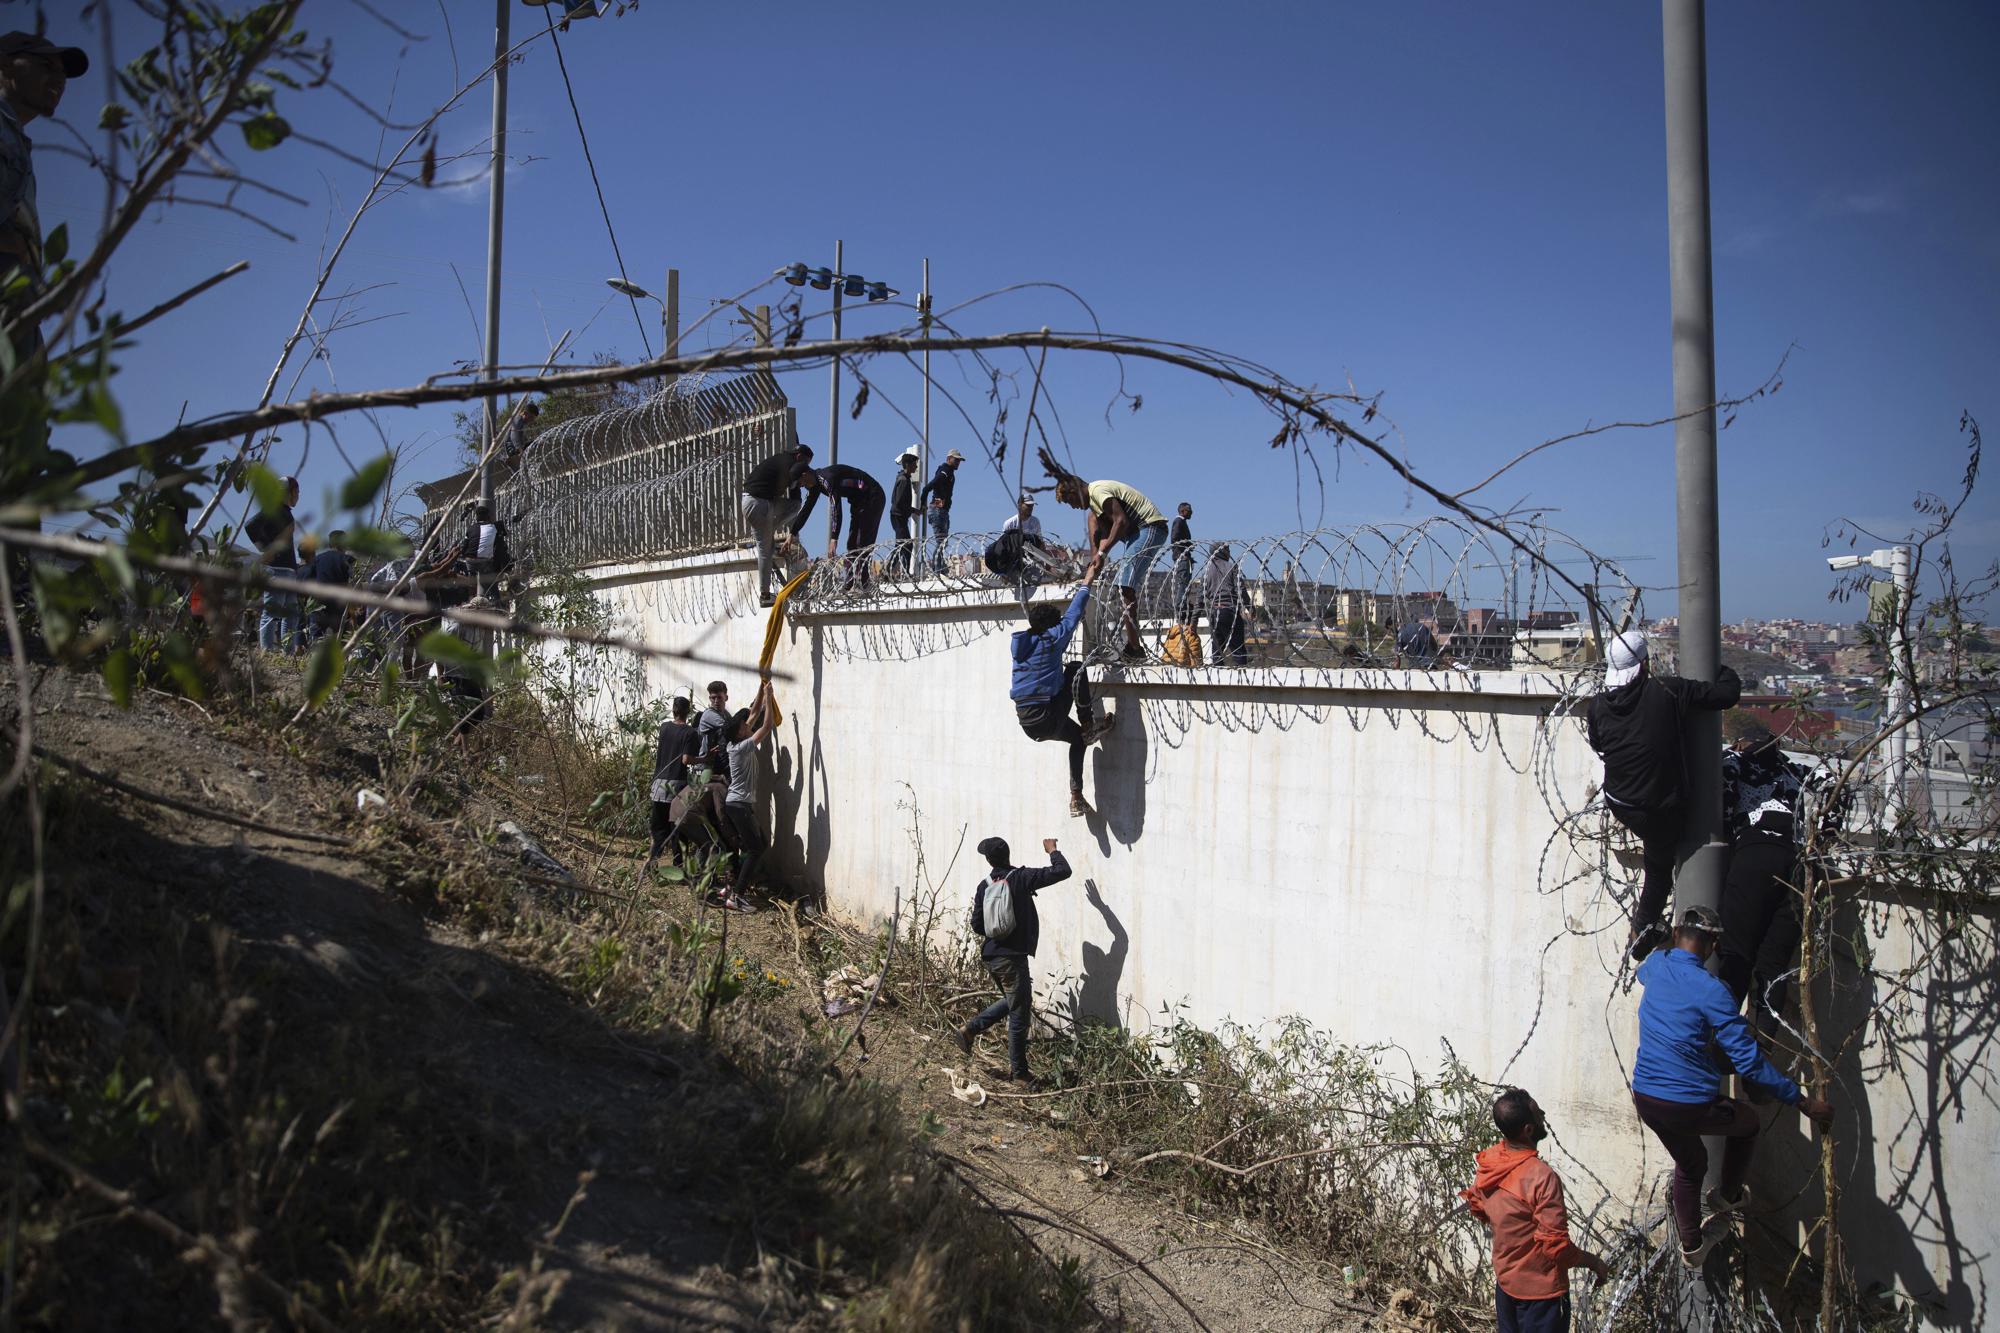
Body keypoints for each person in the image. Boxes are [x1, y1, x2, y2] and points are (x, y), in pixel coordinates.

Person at [1631, 905, 1834, 1267]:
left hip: (1646, 1096)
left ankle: (1692, 1245)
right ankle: (1727, 1196)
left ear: (1678, 936)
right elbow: (1750, 1064)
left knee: (1690, 1163)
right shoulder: (1714, 992)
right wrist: (1802, 1102)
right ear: (1713, 947)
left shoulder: (1658, 966)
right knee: (1746, 1123)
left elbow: (1643, 969)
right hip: (1686, 1102)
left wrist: (1663, 941)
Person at [1584, 630, 1741, 960]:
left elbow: (1599, 745)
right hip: (1659, 806)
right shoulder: (1667, 690)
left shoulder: (1598, 705)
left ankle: (1646, 925)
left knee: (1657, 858)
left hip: (1620, 801)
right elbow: (1726, 695)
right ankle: (1644, 926)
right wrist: (1720, 668)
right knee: (1659, 866)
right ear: (1645, 664)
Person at [1462, 1088, 1610, 1333]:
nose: (1543, 1114)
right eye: (1537, 1112)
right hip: (1541, 1295)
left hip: (1506, 1285)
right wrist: (1593, 1262)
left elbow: (1478, 1205)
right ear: (1528, 1130)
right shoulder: (1541, 1177)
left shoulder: (1492, 1161)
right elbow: (1556, 1247)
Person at [953, 834, 1073, 1084]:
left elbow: (976, 925)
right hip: (1012, 959)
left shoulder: (984, 885)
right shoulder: (1021, 878)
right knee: (1019, 1013)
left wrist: (997, 929)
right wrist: (1052, 850)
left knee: (1014, 1001)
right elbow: (1062, 871)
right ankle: (1019, 1074)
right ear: (1008, 854)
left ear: (989, 861)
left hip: (992, 956)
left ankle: (970, 1030)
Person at [1718, 722, 1810, 1022]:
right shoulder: (1795, 771)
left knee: (1736, 954)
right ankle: (1762, 1046)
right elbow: (1833, 783)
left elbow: (1723, 803)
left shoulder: (1737, 764)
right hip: (1798, 861)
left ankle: (1725, 1044)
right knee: (1774, 964)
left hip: (1755, 852)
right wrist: (1828, 833)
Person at [1011, 554, 1114, 817]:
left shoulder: (1022, 644)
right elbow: (1074, 613)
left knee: (1077, 740)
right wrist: (1088, 580)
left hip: (1028, 722)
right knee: (1075, 669)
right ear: (1049, 626)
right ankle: (1089, 725)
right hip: (1046, 715)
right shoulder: (1051, 639)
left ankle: (1076, 798)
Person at [1055, 475, 1168, 663]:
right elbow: (1105, 534)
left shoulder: (1098, 491)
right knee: (1093, 518)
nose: (1073, 507)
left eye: (1070, 501)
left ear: (1074, 491)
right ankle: (1132, 646)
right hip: (1134, 533)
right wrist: (1097, 558)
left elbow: (1121, 522)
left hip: (1149, 527)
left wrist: (1102, 554)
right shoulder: (1095, 505)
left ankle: (1134, 648)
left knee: (1126, 585)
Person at [719, 681, 780, 911]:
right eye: (745, 726)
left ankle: (733, 885)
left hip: (739, 805)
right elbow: (765, 727)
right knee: (755, 848)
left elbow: (753, 714)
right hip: (738, 805)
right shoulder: (741, 747)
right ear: (740, 733)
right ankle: (737, 897)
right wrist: (770, 699)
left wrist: (762, 687)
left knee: (759, 843)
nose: (748, 725)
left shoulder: (737, 741)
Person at [739, 442, 814, 606]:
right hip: (758, 504)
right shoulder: (792, 465)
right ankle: (765, 595)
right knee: (765, 550)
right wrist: (801, 480)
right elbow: (795, 483)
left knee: (767, 542)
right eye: (806, 464)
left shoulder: (782, 460)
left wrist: (796, 485)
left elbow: (793, 493)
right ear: (800, 457)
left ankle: (768, 533)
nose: (804, 469)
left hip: (754, 502)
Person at [792, 462, 885, 589]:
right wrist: (792, 533)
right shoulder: (816, 485)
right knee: (852, 544)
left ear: (805, 474)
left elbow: (836, 508)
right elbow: (806, 510)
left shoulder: (826, 479)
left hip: (872, 496)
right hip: (858, 502)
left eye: (800, 482)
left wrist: (834, 538)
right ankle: (852, 580)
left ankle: (862, 582)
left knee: (862, 542)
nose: (801, 486)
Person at [669, 679, 736, 851]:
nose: (715, 701)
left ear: (725, 697)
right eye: (712, 698)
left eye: (718, 698)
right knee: (705, 820)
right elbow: (731, 729)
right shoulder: (710, 715)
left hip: (711, 769)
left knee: (707, 821)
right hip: (704, 771)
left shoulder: (724, 714)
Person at [246, 475, 303, 654]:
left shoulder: (284, 511)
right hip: (276, 569)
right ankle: (267, 652)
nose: (298, 496)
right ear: (290, 492)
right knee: (271, 613)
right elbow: (250, 526)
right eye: (297, 492)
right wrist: (266, 548)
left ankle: (288, 652)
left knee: (290, 614)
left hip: (288, 568)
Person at [644, 694, 700, 874]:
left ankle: (652, 862)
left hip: (659, 784)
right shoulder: (690, 733)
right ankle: (678, 865)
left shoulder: (664, 727)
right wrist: (705, 757)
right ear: (688, 712)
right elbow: (686, 760)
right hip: (677, 786)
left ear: (673, 710)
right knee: (678, 829)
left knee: (658, 827)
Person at [920, 448, 965, 576]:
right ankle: (937, 570)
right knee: (941, 542)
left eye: (959, 461)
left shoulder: (949, 473)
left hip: (942, 511)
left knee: (943, 542)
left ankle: (941, 568)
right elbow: (929, 486)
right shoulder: (945, 472)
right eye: (956, 460)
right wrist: (923, 502)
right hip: (938, 510)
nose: (958, 463)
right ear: (949, 459)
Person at [1203, 544, 1249, 666]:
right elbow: (1241, 589)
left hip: (1215, 612)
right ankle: (1244, 679)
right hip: (1230, 611)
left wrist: (1194, 620)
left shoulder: (1207, 570)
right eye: (1227, 550)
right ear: (1220, 552)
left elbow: (1202, 594)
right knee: (1238, 649)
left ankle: (1217, 679)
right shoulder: (1231, 566)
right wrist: (1249, 607)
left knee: (1217, 652)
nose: (1229, 553)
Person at [305, 529, 354, 642]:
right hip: (339, 603)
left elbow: (307, 579)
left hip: (318, 603)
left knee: (316, 637)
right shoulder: (347, 559)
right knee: (342, 637)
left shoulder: (318, 559)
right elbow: (353, 582)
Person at [1001, 492, 1050, 600]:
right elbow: (1003, 547)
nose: (1031, 508)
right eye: (1028, 505)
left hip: (1032, 561)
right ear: (1019, 504)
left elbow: (1040, 542)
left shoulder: (1035, 522)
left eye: (1032, 506)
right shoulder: (1010, 523)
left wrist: (1046, 561)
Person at [887, 447, 920, 578]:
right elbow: (899, 502)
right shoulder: (904, 480)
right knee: (906, 545)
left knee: (901, 545)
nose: (916, 467)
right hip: (898, 516)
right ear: (907, 465)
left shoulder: (903, 478)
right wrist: (911, 510)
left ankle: (889, 571)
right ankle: (904, 572)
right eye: (914, 464)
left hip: (899, 516)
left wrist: (913, 510)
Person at [1168, 502, 1195, 618]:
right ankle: (1180, 605)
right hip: (1182, 557)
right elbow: (1175, 538)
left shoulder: (1182, 522)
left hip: (1184, 556)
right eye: (1189, 510)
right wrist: (1182, 553)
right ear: (1183, 511)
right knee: (1183, 581)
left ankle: (1183, 603)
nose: (1191, 513)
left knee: (1185, 582)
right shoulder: (1178, 521)